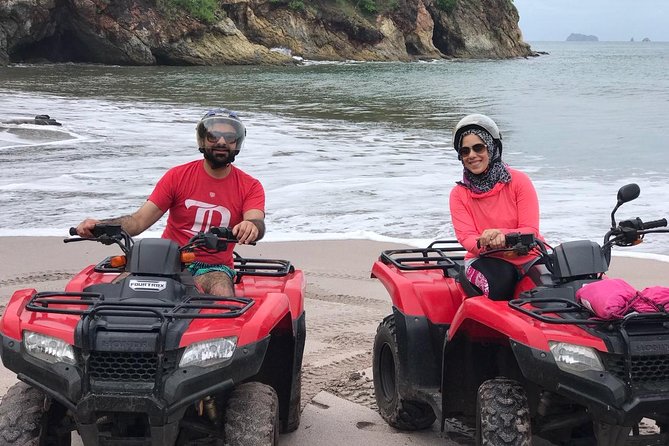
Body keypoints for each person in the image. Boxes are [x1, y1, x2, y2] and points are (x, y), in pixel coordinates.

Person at [76, 108, 265, 297]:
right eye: (213, 135)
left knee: (222, 292)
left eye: (229, 137)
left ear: (237, 141)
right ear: (203, 138)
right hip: (167, 260)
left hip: (213, 268)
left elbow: (256, 220)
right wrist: (100, 226)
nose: (221, 142)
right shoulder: (177, 176)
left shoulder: (250, 186)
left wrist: (251, 226)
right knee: (115, 294)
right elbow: (139, 221)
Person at [448, 113, 543, 300]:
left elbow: (531, 229)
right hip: (484, 260)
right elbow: (467, 238)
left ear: (492, 148)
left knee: (561, 285)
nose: (472, 155)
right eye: (465, 151)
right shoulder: (459, 194)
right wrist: (487, 240)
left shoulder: (518, 181)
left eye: (478, 148)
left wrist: (500, 234)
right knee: (500, 283)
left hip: (529, 257)